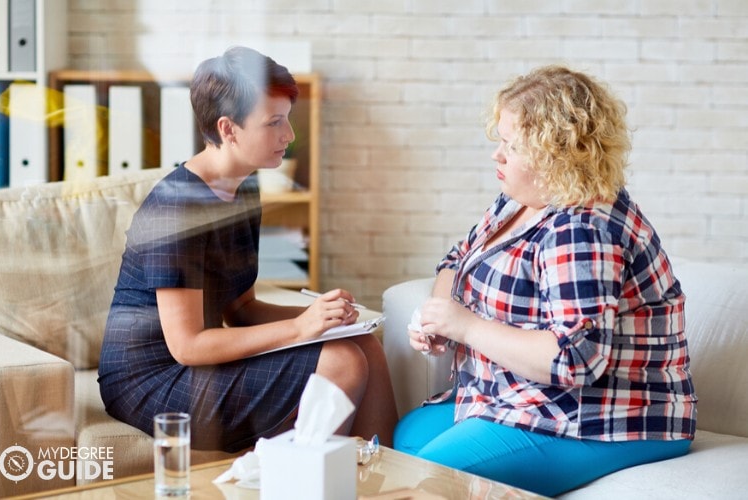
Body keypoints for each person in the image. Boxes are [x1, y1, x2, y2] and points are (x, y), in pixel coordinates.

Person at [393, 65, 697, 497]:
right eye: (499, 140)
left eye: (511, 146)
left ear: (556, 153)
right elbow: (457, 258)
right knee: (409, 437)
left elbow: (576, 360)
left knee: (431, 473)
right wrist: (435, 318)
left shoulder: (581, 228)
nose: (496, 155)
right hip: (521, 393)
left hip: (607, 414)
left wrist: (465, 326)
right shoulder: (519, 201)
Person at [98, 46, 398, 452]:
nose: (289, 135)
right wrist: (298, 328)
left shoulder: (244, 186)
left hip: (195, 361)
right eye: (274, 122)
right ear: (228, 129)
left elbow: (241, 313)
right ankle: (307, 484)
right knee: (341, 360)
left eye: (287, 119)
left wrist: (322, 317)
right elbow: (186, 347)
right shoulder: (175, 208)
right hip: (150, 380)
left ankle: (381, 480)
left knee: (362, 344)